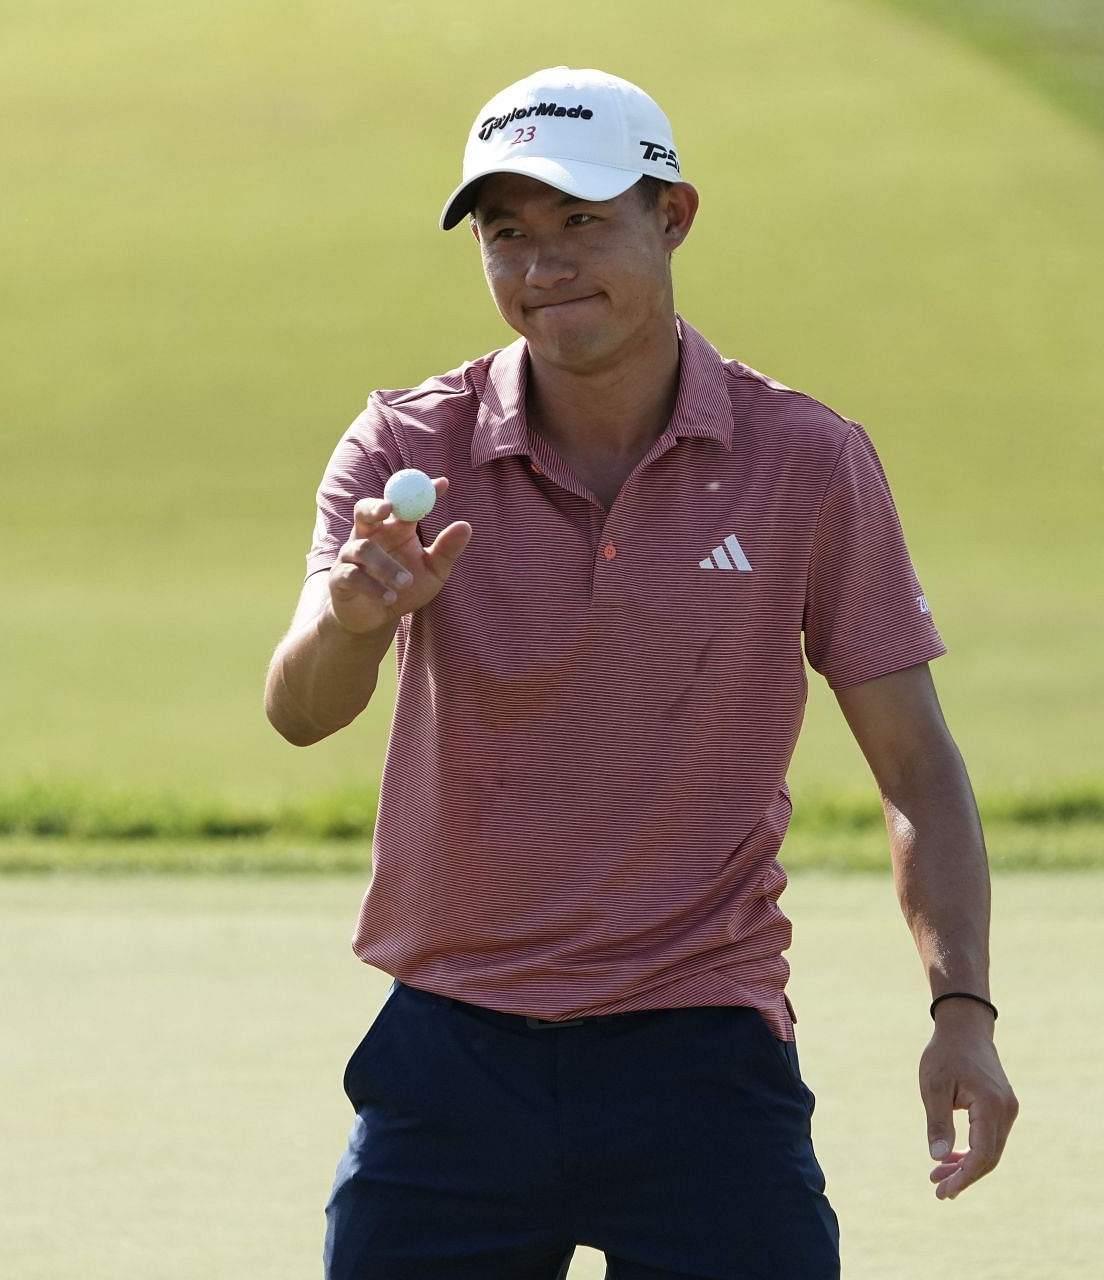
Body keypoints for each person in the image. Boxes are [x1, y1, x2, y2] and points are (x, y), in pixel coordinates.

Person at [263, 67, 1018, 1280]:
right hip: (453, 1055)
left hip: (700, 1050)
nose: (542, 264)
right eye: (507, 233)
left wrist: (962, 1010)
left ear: (673, 216)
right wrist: (354, 619)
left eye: (581, 221)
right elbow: (299, 709)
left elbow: (917, 763)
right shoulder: (406, 447)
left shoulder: (806, 460)